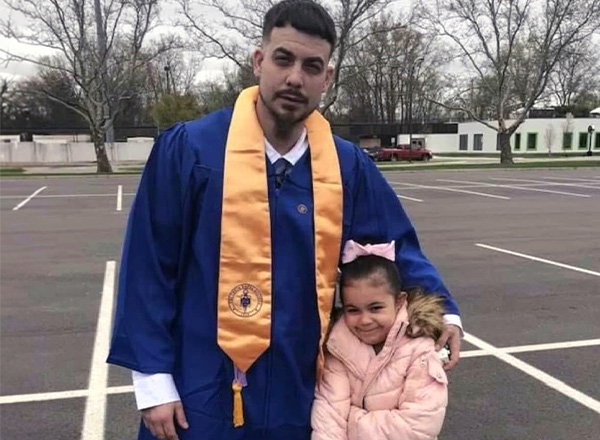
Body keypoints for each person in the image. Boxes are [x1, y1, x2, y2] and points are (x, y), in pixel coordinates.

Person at [106, 1, 462, 439]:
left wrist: (442, 312)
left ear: (326, 79)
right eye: (283, 59)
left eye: (312, 66)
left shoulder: (345, 166)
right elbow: (149, 267)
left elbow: (393, 248)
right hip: (200, 380)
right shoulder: (193, 152)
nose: (295, 77)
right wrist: (152, 379)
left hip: (301, 383)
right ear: (259, 61)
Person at [311, 241, 448, 440]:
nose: (365, 320)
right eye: (353, 310)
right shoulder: (337, 347)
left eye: (375, 308)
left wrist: (354, 421)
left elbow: (418, 427)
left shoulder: (419, 347)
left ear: (399, 301)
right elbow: (328, 418)